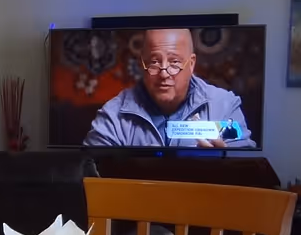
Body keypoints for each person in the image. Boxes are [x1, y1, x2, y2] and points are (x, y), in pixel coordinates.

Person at [82, 26, 255, 149]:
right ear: (142, 64)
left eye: (174, 62)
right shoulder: (113, 116)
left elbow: (249, 180)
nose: (164, 73)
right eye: (155, 62)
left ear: (191, 64)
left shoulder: (224, 107)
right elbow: (92, 181)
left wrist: (223, 166)